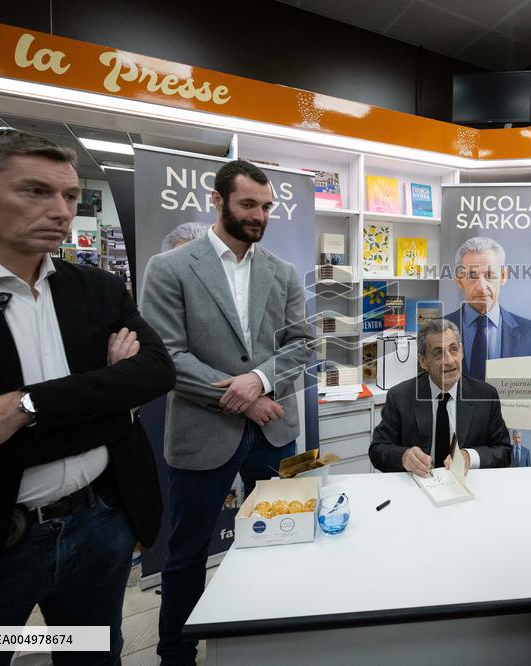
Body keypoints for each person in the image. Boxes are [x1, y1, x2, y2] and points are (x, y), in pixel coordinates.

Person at [0, 129, 175, 661]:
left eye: (70, 196)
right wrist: (107, 395)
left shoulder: (94, 287)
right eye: (35, 191)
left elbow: (155, 372)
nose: (61, 211)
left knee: (91, 652)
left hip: (99, 522)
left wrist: (20, 408)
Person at [141, 159, 313, 664]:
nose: (259, 215)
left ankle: (273, 637)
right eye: (248, 205)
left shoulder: (281, 273)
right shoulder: (170, 267)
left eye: (266, 207)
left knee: (287, 537)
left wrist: (260, 380)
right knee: (188, 555)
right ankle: (176, 652)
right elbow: (165, 355)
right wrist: (245, 397)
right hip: (202, 432)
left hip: (274, 434)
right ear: (217, 201)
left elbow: (303, 344)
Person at [369, 319, 512, 474]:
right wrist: (403, 457)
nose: (449, 361)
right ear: (423, 361)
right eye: (438, 353)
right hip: (418, 486)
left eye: (453, 350)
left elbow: (504, 451)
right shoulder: (400, 397)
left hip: (468, 485)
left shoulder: (485, 395)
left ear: (462, 352)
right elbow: (377, 449)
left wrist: (470, 457)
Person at [444, 236, 531, 380]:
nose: (481, 286)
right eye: (472, 276)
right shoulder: (435, 331)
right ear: (459, 280)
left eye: (489, 275)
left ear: (503, 276)